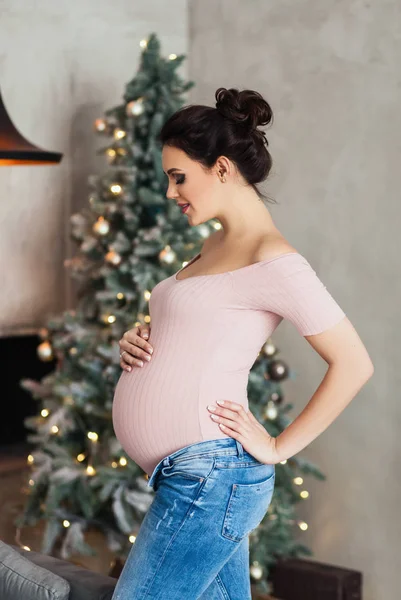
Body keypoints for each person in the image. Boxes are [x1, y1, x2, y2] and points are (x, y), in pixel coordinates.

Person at [111, 87, 374, 600]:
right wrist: (139, 339)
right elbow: (194, 326)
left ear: (223, 168)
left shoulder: (275, 259)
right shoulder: (214, 244)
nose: (171, 193)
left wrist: (278, 447)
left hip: (211, 477)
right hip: (194, 476)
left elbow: (354, 363)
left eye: (179, 177)